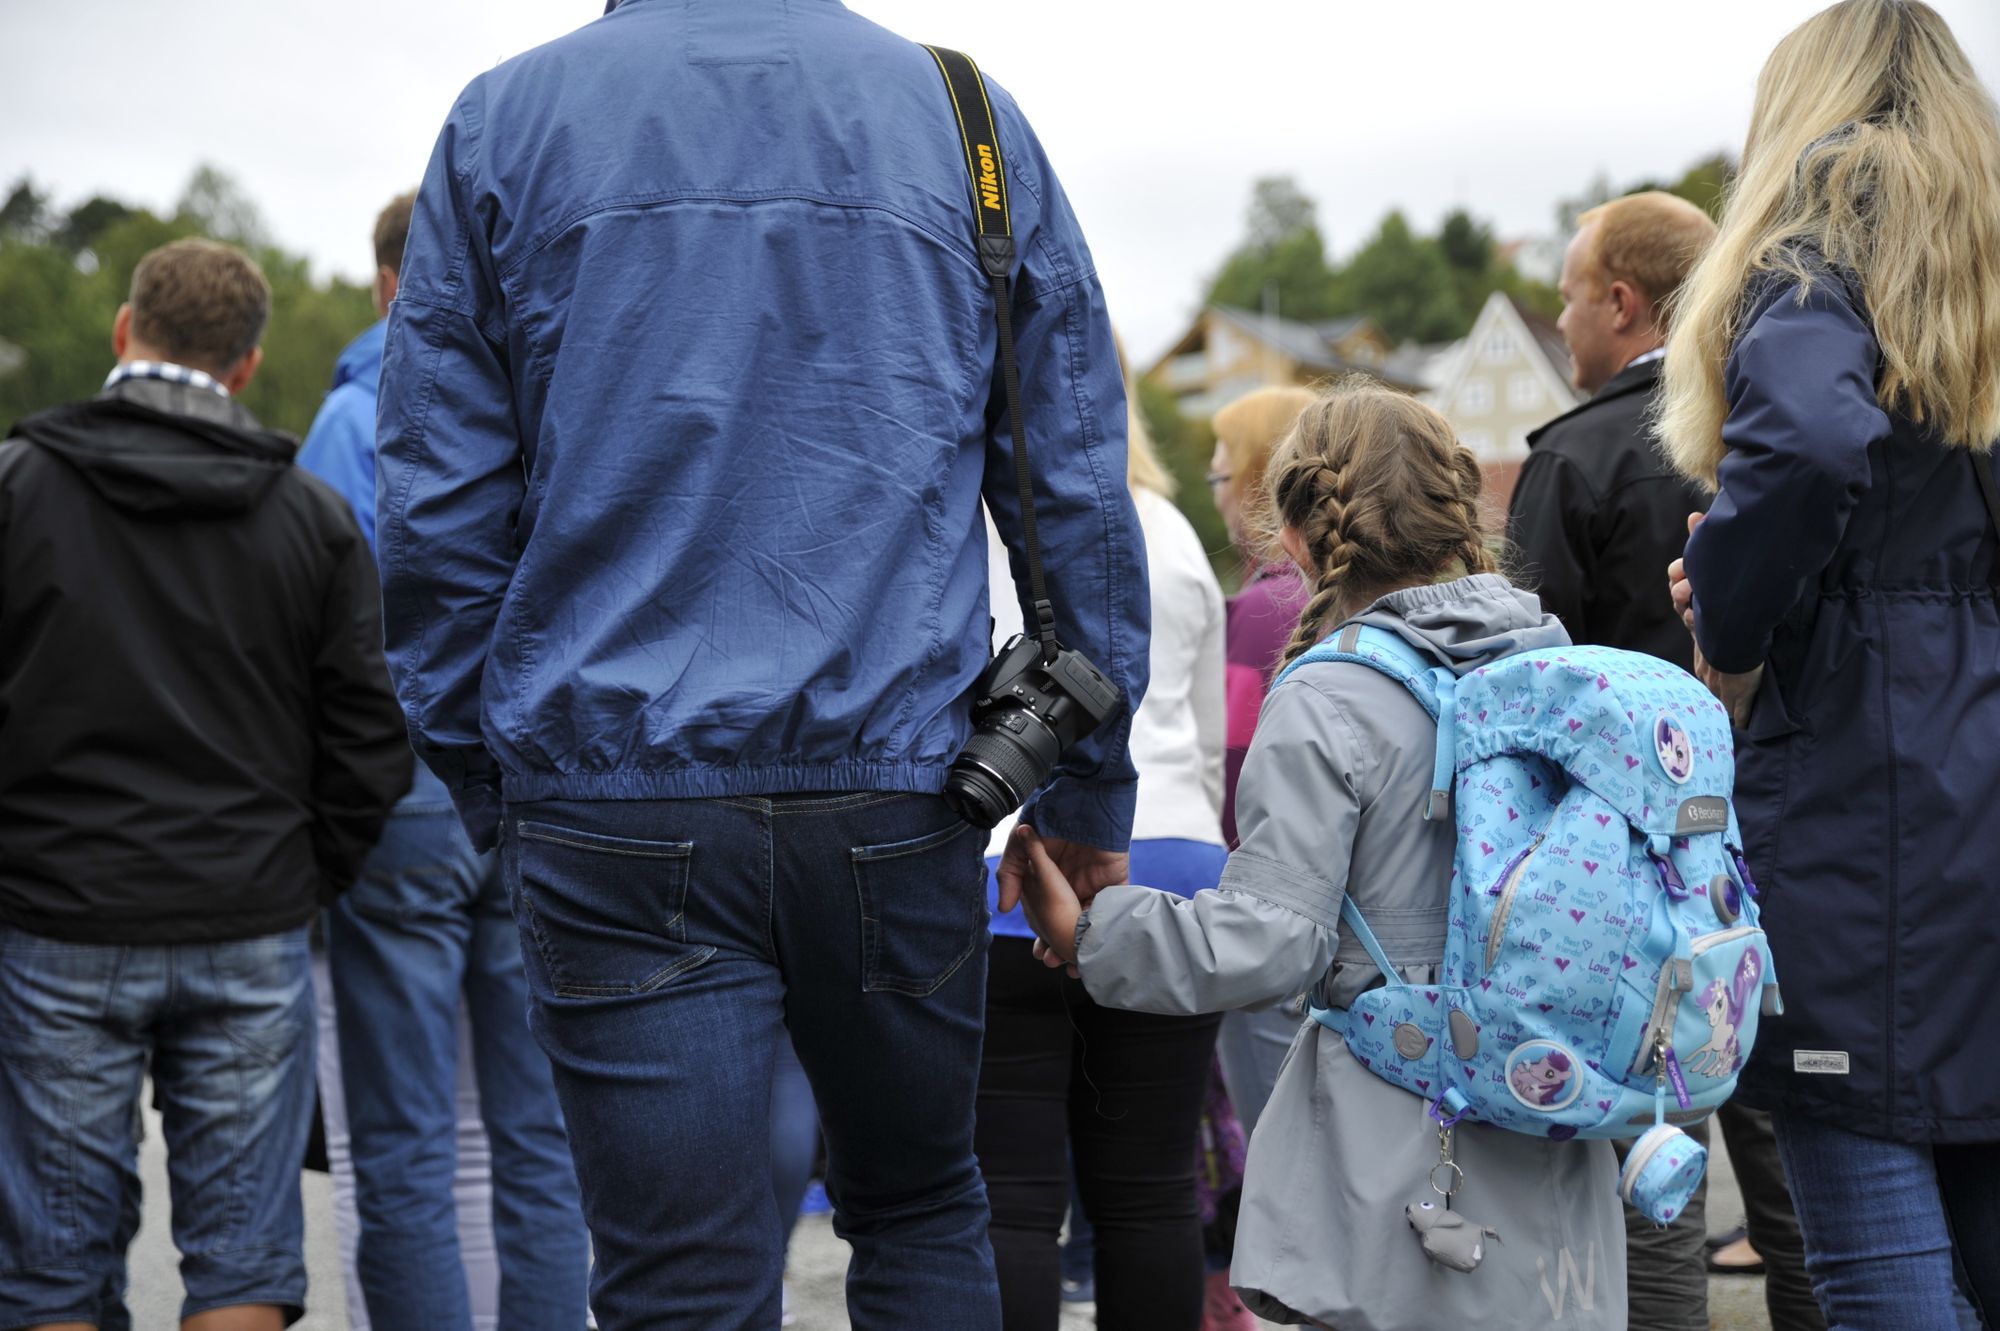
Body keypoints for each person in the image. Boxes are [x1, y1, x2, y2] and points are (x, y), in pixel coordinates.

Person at [375, 3, 1145, 1327]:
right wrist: (1087, 787)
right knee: (920, 1208)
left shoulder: (505, 121)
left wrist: (495, 779)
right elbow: (1070, 471)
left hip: (614, 791)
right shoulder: (962, 116)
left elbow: (435, 512)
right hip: (896, 788)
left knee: (681, 1274)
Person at [1004, 383, 1626, 1330]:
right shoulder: (1551, 663)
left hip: (1404, 1125)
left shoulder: (1331, 694)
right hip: (1547, 1100)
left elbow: (1272, 942)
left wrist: (1094, 931)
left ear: (1296, 537)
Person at [0, 238, 411, 1331]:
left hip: (57, 914)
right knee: (243, 1262)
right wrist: (304, 874)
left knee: (49, 1264)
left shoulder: (17, 490)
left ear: (123, 329)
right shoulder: (308, 517)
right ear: (246, 362)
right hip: (248, 912)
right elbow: (370, 735)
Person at [1661, 1, 2000, 1323]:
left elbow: (1802, 440)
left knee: (1878, 1273)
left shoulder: (1814, 249)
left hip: (1868, 786)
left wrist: (1734, 617)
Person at [1509, 192, 1824, 1331]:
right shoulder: (1782, 436)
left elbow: (1526, 685)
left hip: (1622, 879)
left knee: (1654, 1177)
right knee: (1801, 1176)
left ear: (1619, 301)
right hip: (1780, 842)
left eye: (1566, 296)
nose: (1560, 318)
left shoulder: (1578, 456)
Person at [296, 191, 591, 1331]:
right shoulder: (547, 390)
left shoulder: (350, 417)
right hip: (532, 781)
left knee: (405, 1141)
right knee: (541, 1135)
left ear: (386, 284)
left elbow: (319, 632)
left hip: (401, 788)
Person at [976, 367, 1226, 1331]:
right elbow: (1206, 732)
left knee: (1011, 1195)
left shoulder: (975, 518)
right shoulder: (1173, 531)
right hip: (1173, 858)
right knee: (1153, 1188)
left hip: (1010, 858)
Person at [1202, 384, 1316, 1331]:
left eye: (1220, 467)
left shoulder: (1259, 610)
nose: (1212, 486)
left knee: (1285, 1157)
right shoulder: (1347, 598)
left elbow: (1234, 772)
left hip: (1273, 907)